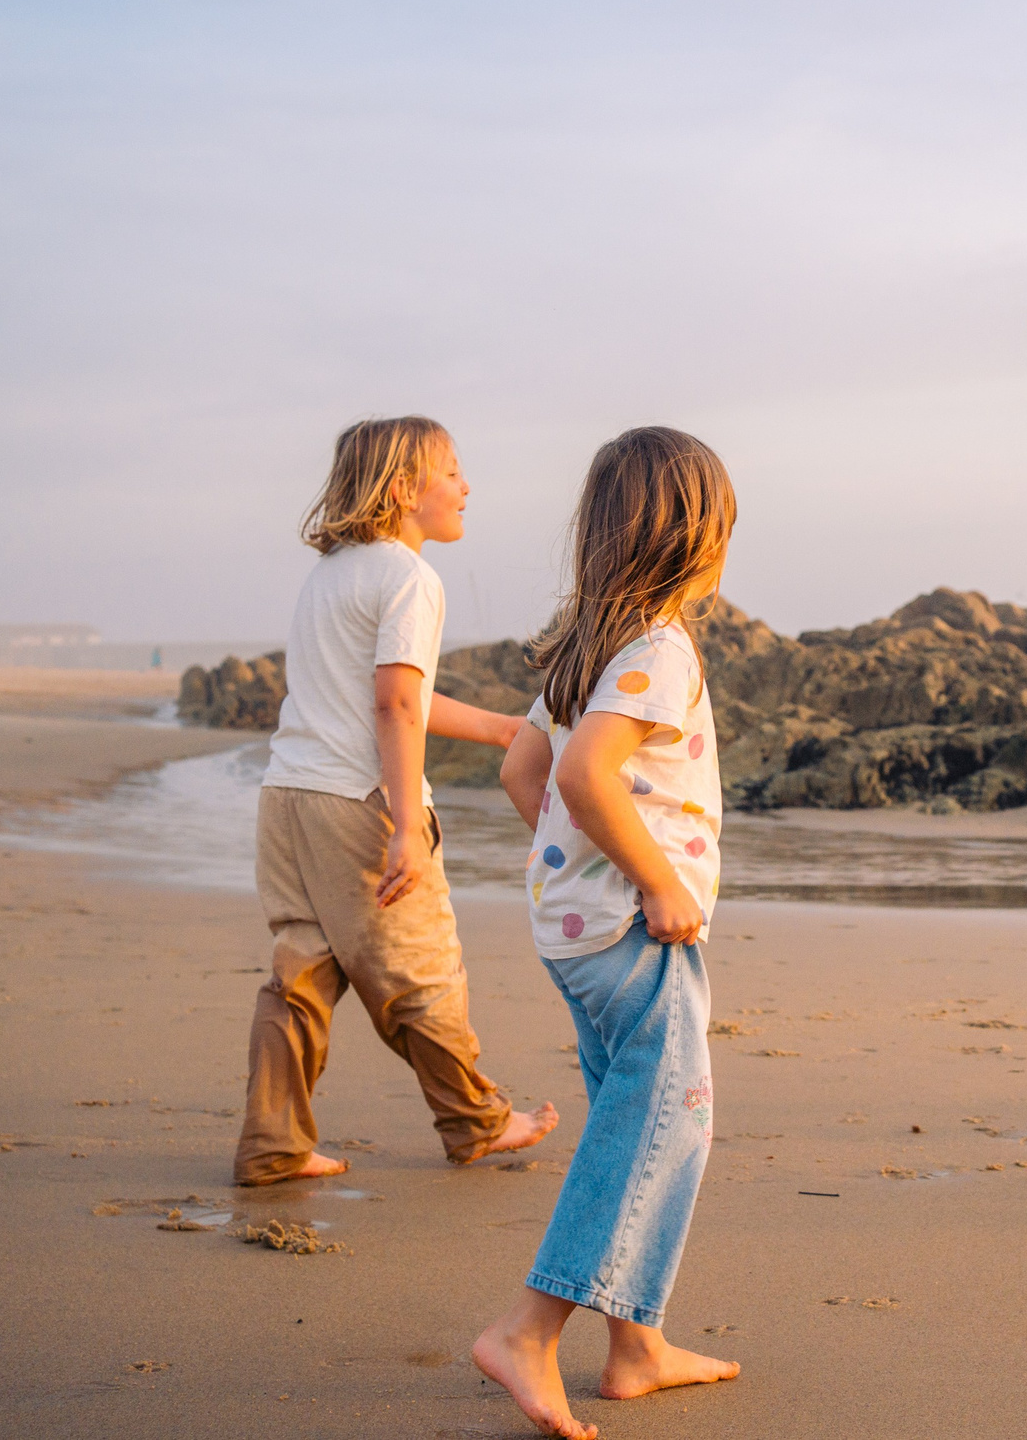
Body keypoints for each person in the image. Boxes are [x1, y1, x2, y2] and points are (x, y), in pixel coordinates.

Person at [471, 426, 741, 1438]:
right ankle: (528, 1331)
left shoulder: (587, 643)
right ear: (698, 536)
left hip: (573, 927)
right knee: (656, 1128)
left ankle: (635, 1344)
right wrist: (654, 880)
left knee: (649, 1115)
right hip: (633, 929)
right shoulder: (659, 649)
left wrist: (574, 860)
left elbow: (521, 774)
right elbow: (581, 779)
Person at [232, 415, 560, 1186]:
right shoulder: (411, 577)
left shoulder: (333, 574)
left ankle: (272, 1142)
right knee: (422, 969)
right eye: (452, 471)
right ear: (408, 490)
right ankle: (475, 1120)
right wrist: (408, 825)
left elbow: (390, 692)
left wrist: (501, 727)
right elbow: (393, 707)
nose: (466, 486)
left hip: (289, 798)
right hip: (359, 802)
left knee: (300, 973)